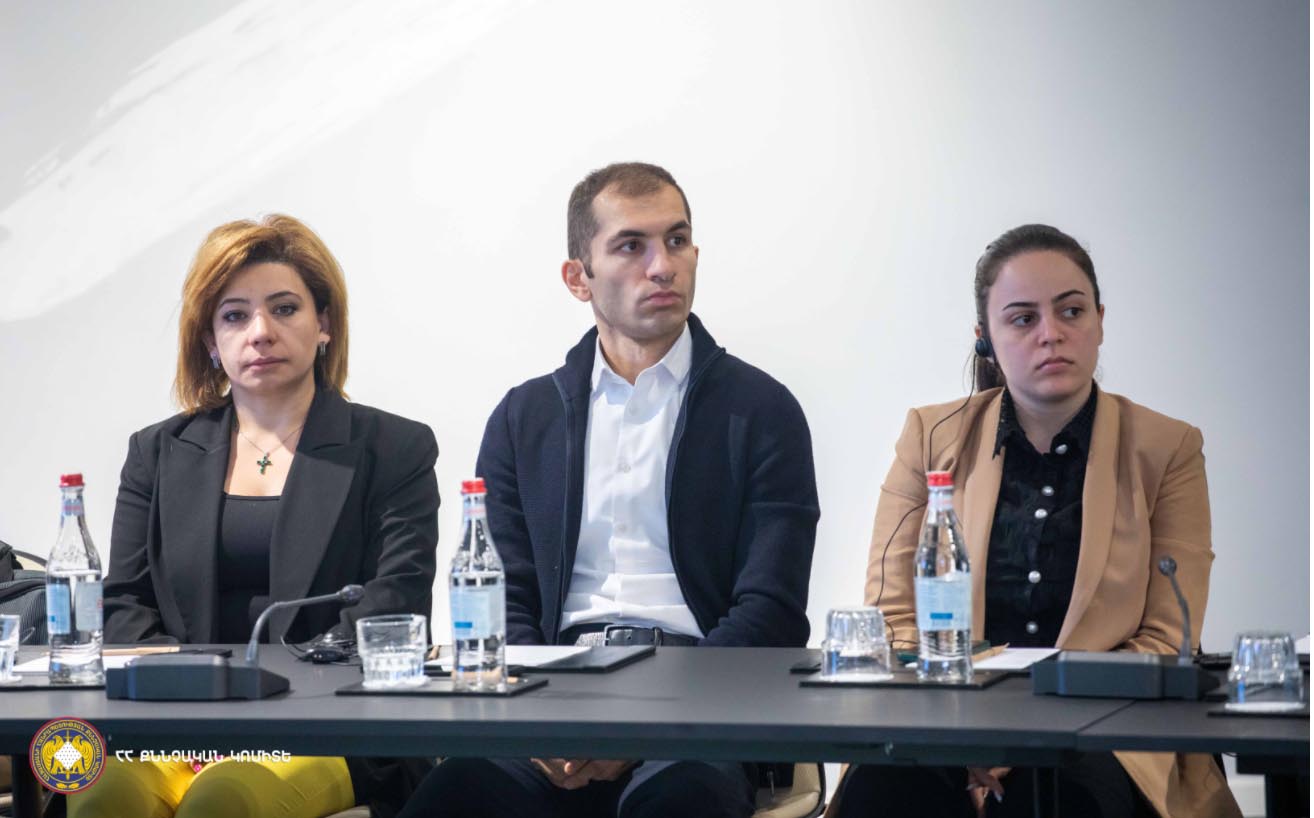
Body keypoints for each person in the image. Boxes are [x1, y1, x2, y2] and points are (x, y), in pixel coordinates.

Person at [398, 162, 820, 818]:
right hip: (550, 696)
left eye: (677, 241)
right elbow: (503, 594)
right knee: (451, 799)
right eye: (631, 246)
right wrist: (541, 717)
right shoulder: (523, 418)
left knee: (680, 801)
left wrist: (646, 723)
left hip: (700, 708)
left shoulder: (762, 411)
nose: (663, 266)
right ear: (578, 277)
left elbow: (771, 610)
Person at [830, 224, 1241, 818]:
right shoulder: (929, 436)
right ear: (985, 339)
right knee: (883, 794)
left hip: (1105, 727)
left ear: (1100, 320)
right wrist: (964, 734)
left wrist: (1027, 741)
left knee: (1057, 799)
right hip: (944, 715)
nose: (1051, 334)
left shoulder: (1167, 447)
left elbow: (1164, 639)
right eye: (1023, 319)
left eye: (1071, 311)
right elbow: (892, 618)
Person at [73, 215, 439, 818]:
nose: (261, 332)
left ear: (324, 324)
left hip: (330, 725)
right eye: (235, 316)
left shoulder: (394, 448)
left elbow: (393, 605)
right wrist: (201, 696)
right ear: (210, 341)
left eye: (285, 309)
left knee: (224, 799)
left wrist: (262, 697)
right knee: (102, 798)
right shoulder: (157, 453)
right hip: (178, 723)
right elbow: (124, 606)